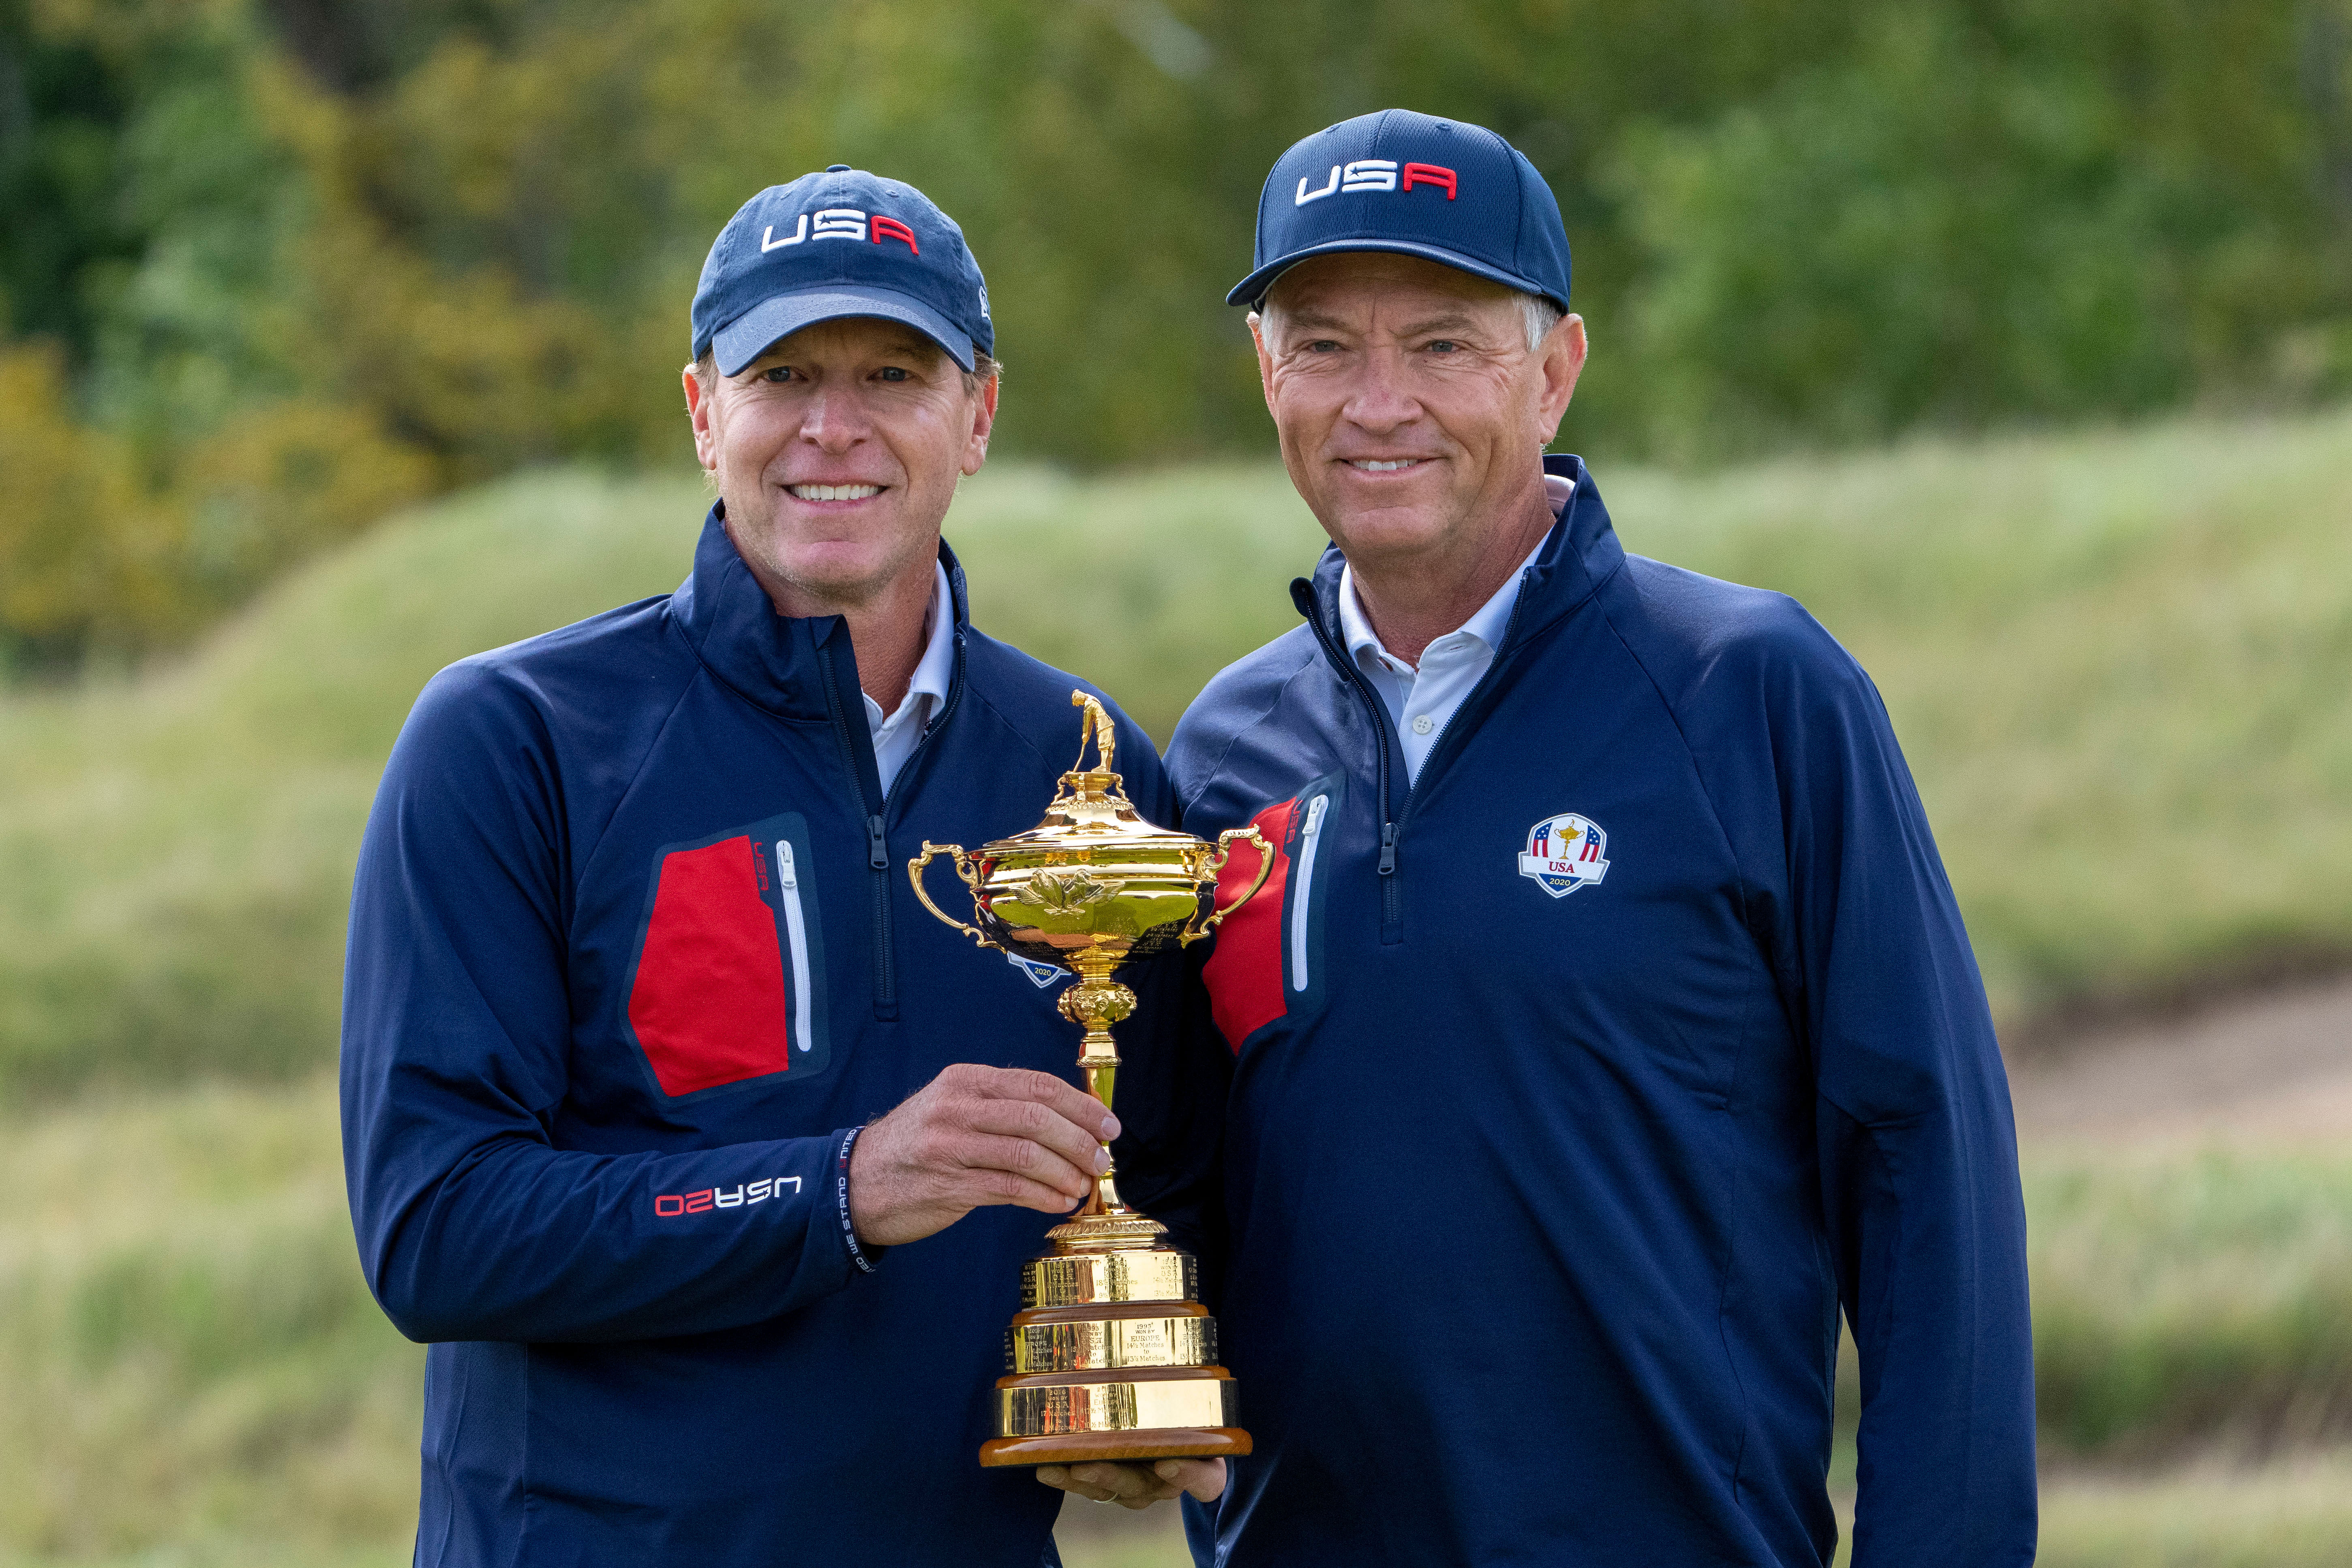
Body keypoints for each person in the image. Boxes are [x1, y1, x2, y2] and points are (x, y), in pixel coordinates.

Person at [1051, 109, 2039, 1565]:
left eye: (1443, 342)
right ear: (1268, 375)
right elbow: (1186, 1176)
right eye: (1322, 343)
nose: (1377, 400)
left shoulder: (1749, 689)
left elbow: (1924, 1168)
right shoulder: (1217, 755)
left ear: (1555, 370)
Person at [340, 165, 1195, 1566]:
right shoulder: (515, 739)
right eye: (783, 372)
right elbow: (438, 1228)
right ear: (701, 410)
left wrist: (1158, 1398)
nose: (832, 428)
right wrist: (836, 1188)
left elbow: (1164, 1171)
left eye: (893, 375)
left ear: (976, 414)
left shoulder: (1088, 768)